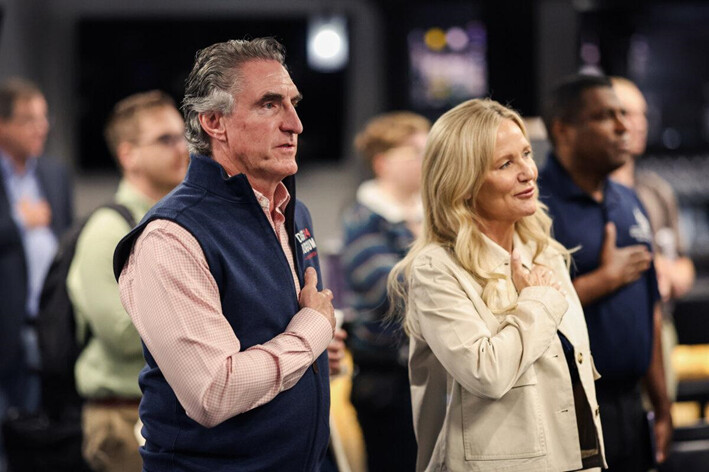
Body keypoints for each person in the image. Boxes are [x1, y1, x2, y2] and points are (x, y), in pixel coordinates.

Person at [113, 38, 336, 471]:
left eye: (293, 103)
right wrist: (311, 334)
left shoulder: (292, 209)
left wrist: (321, 353)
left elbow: (284, 332)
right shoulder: (170, 237)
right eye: (270, 105)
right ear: (214, 122)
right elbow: (213, 392)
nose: (295, 124)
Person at [388, 98, 606, 472]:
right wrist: (538, 301)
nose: (528, 172)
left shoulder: (545, 252)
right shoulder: (436, 269)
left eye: (526, 154)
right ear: (465, 183)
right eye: (506, 164)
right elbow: (486, 373)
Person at [538, 74, 672, 471]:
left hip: (632, 404)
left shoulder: (628, 199)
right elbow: (519, 314)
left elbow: (650, 308)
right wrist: (604, 280)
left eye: (623, 114)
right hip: (570, 408)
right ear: (563, 129)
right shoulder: (536, 207)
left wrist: (661, 405)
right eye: (605, 116)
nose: (622, 126)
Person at [67, 90, 188, 472]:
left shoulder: (177, 221)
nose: (183, 147)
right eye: (165, 139)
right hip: (121, 418)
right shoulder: (108, 229)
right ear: (128, 154)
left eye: (184, 135)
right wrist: (204, 326)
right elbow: (121, 334)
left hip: (169, 413)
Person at [341, 111, 429, 472]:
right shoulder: (363, 218)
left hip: (427, 372)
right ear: (381, 163)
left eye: (428, 151)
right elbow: (386, 289)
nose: (426, 162)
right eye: (414, 153)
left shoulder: (430, 214)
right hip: (385, 381)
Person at [0, 78, 73, 468]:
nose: (41, 127)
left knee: (38, 436)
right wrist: (18, 221)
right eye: (29, 119)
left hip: (45, 327)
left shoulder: (53, 173)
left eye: (44, 118)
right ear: (2, 125)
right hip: (4, 328)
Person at [609, 76, 695, 400]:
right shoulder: (591, 198)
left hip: (662, 327)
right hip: (616, 335)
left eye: (642, 115)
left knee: (661, 431)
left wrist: (669, 273)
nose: (638, 124)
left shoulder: (656, 190)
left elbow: (684, 266)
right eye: (627, 113)